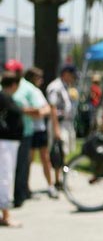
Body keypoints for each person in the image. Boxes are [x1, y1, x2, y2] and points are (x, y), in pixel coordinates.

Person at [3, 59, 49, 208]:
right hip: (5, 135)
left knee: (22, 166)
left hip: (23, 133)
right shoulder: (3, 85)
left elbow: (42, 110)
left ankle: (19, 196)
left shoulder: (28, 88)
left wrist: (19, 110)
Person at [24, 67, 59, 199]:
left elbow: (46, 109)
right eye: (39, 78)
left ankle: (50, 185)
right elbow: (30, 110)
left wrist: (39, 112)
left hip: (40, 129)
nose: (41, 80)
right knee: (29, 160)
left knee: (45, 158)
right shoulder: (26, 90)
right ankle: (26, 187)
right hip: (30, 130)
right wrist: (38, 111)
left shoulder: (38, 92)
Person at [46, 64, 78, 189]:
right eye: (72, 76)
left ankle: (61, 179)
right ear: (65, 74)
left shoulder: (66, 86)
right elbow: (52, 108)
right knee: (57, 152)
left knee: (64, 151)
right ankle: (57, 180)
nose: (73, 78)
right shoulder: (55, 86)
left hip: (67, 123)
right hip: (59, 123)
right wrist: (56, 129)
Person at [0, 72, 24, 227]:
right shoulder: (3, 97)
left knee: (5, 176)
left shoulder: (5, 97)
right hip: (5, 142)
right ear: (14, 84)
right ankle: (5, 214)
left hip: (9, 141)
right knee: (5, 177)